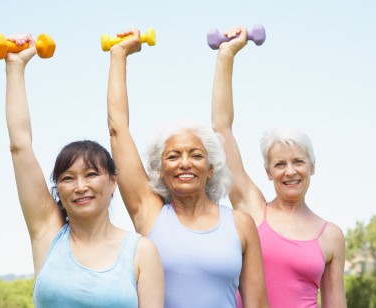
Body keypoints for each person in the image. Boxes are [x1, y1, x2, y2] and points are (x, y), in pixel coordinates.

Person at [106, 28, 269, 308]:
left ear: (210, 168)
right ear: (159, 169)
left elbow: (258, 305)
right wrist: (119, 54)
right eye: (173, 156)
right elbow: (117, 129)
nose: (184, 163)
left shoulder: (241, 224)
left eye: (195, 155)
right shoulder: (150, 213)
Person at [3, 34, 164, 307]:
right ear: (59, 190)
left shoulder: (140, 252)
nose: (80, 186)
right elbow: (20, 146)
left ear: (113, 182)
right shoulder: (48, 232)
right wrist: (15, 67)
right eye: (68, 178)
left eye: (91, 174)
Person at [211, 26, 347, 307]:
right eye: (280, 164)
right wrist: (226, 56)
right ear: (268, 172)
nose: (290, 171)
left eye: (298, 161)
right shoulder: (252, 209)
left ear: (312, 167)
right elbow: (221, 128)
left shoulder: (331, 235)